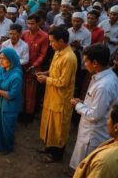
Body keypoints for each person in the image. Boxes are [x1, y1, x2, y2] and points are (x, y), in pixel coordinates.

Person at [69, 44, 118, 170]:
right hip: (90, 130)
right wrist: (83, 103)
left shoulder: (104, 85)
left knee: (86, 166)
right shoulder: (103, 77)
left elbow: (95, 115)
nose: (84, 64)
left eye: (86, 61)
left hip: (93, 134)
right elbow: (96, 104)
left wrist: (78, 105)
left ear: (95, 63)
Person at [37, 26, 77, 163]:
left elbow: (63, 82)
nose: (50, 44)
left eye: (52, 41)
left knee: (59, 127)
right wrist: (46, 73)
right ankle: (49, 147)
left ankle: (57, 155)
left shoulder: (69, 58)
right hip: (51, 95)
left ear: (61, 41)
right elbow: (54, 70)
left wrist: (46, 79)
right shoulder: (57, 51)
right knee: (49, 123)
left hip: (61, 99)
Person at [73, 105, 118, 178]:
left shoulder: (104, 162)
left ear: (116, 127)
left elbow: (95, 115)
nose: (106, 122)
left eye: (108, 118)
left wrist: (78, 105)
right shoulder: (113, 142)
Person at [21, 13, 49, 122]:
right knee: (22, 90)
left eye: (32, 24)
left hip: (35, 68)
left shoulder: (44, 36)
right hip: (23, 66)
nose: (29, 26)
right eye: (28, 23)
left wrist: (34, 65)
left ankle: (29, 114)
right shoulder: (24, 34)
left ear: (38, 23)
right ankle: (21, 112)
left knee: (32, 93)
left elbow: (43, 54)